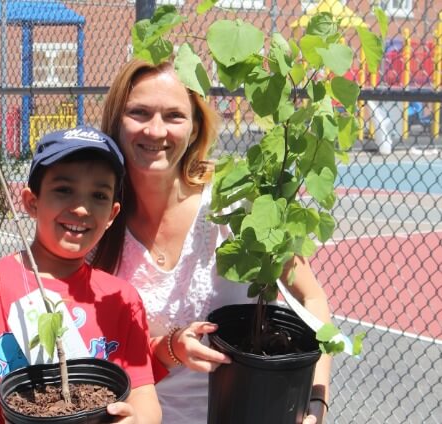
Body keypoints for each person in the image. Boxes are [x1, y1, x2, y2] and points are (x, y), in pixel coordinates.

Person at [93, 59, 332, 424]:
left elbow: (309, 296)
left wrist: (314, 403)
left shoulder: (237, 202)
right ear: (116, 122)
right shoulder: (97, 221)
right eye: (139, 113)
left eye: (174, 116)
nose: (155, 130)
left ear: (195, 127)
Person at [0, 126, 162, 424]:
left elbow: (144, 397)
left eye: (98, 195)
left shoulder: (122, 299)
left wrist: (135, 421)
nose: (82, 208)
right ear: (32, 202)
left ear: (112, 215)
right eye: (63, 190)